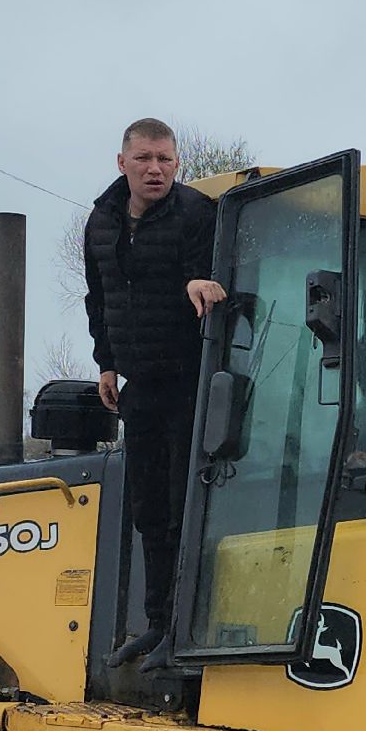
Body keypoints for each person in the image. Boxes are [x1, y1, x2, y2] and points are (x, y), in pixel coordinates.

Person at [83, 117, 226, 672]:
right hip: (137, 382)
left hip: (190, 380)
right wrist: (107, 364)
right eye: (144, 159)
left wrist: (200, 281)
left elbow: (209, 266)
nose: (155, 169)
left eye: (165, 159)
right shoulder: (101, 222)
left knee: (181, 505)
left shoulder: (196, 213)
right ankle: (156, 623)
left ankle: (185, 628)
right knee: (146, 508)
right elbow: (100, 297)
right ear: (122, 163)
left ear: (177, 163)